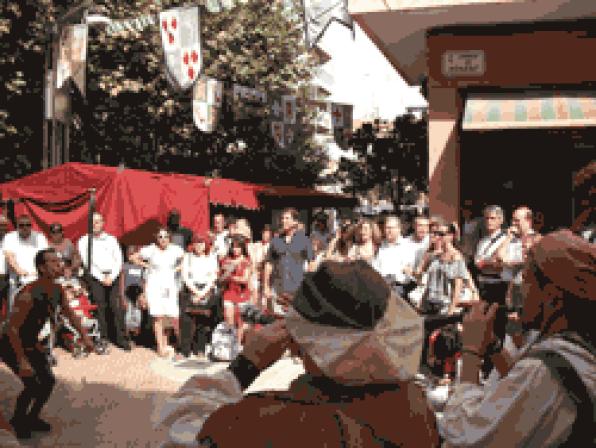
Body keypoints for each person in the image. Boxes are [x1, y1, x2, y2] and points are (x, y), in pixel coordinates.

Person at [159, 261, 439, 447]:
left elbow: (180, 430)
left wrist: (244, 367)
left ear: (302, 343)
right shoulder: (415, 406)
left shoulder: (271, 422)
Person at [441, 230, 595, 447]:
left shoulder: (544, 370)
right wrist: (493, 347)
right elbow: (526, 386)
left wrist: (471, 352)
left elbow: (465, 433)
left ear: (552, 297)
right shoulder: (577, 349)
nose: (521, 291)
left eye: (527, 280)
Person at [0, 248, 95, 439]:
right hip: (10, 343)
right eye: (53, 261)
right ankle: (19, 420)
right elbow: (12, 329)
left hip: (30, 341)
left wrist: (85, 336)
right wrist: (22, 361)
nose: (59, 264)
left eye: (59, 261)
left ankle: (32, 417)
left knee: (47, 381)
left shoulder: (57, 289)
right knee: (32, 384)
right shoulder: (28, 293)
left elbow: (70, 314)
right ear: (42, 268)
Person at [78, 212, 129, 350]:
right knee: (100, 307)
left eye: (98, 221)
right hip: (95, 277)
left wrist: (111, 276)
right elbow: (87, 262)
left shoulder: (111, 239)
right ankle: (104, 338)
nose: (95, 224)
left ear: (103, 223)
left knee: (116, 307)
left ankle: (121, 339)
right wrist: (101, 277)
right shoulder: (84, 241)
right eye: (93, 221)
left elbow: (118, 259)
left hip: (112, 276)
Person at [131, 228, 184, 357]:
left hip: (170, 285)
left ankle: (166, 343)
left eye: (166, 236)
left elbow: (186, 259)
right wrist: (146, 265)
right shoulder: (151, 249)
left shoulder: (175, 249)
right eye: (160, 237)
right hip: (154, 285)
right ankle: (160, 346)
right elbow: (132, 257)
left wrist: (177, 268)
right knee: (158, 316)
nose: (163, 239)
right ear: (157, 238)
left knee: (169, 315)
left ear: (169, 238)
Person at [263, 208, 313, 315]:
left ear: (295, 222)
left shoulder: (304, 240)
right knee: (277, 319)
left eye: (287, 218)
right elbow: (269, 264)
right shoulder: (276, 241)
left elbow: (311, 265)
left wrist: (309, 288)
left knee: (294, 319)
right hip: (278, 288)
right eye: (282, 218)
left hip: (297, 289)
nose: (283, 221)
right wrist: (266, 286)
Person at [178, 234, 219, 359]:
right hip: (190, 289)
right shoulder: (187, 257)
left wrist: (202, 293)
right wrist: (195, 292)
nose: (199, 246)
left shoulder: (211, 257)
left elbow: (213, 277)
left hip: (206, 290)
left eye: (201, 243)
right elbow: (185, 276)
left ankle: (200, 349)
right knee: (186, 321)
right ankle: (185, 350)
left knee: (203, 321)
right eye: (196, 243)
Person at [3, 215, 49, 313]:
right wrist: (20, 271)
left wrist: (40, 273)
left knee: (38, 312)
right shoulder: (9, 237)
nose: (25, 228)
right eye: (21, 225)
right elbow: (10, 257)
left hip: (37, 281)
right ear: (17, 226)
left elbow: (46, 256)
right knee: (17, 314)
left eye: (28, 225)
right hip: (18, 282)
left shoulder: (40, 237)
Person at [473, 205, 508, 306]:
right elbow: (477, 263)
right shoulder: (483, 241)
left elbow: (500, 263)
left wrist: (486, 262)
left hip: (499, 284)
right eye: (487, 218)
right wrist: (490, 261)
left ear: (500, 220)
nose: (489, 221)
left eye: (492, 218)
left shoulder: (506, 240)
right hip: (482, 284)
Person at [220, 235, 252, 346]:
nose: (235, 249)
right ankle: (230, 344)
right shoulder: (226, 260)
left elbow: (245, 279)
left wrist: (231, 277)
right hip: (229, 292)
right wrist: (225, 274)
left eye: (238, 247)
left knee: (241, 321)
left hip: (242, 293)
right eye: (233, 247)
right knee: (229, 319)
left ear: (242, 248)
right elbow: (221, 278)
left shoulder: (246, 261)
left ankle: (238, 345)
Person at [373, 215, 415, 296]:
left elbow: (407, 271)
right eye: (386, 228)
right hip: (380, 284)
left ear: (399, 229)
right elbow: (376, 266)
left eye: (391, 228)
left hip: (398, 287)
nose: (388, 231)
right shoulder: (381, 245)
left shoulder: (408, 246)